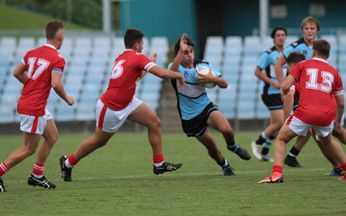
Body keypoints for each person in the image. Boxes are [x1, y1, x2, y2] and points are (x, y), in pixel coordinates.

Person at [59, 28, 185, 182]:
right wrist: (179, 75)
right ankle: (67, 162)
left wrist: (149, 63)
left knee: (154, 122)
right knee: (99, 141)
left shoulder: (122, 57)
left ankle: (158, 164)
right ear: (137, 44)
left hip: (128, 102)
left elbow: (134, 78)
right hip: (111, 107)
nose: (143, 46)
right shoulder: (138, 57)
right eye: (142, 43)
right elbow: (163, 74)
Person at [0, 21, 74, 192]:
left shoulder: (32, 52)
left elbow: (16, 72)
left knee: (52, 136)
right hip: (34, 106)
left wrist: (32, 84)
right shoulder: (58, 58)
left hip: (32, 103)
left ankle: (36, 175)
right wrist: (67, 99)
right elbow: (56, 84)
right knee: (29, 148)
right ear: (60, 38)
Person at [259, 39, 346, 183]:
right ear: (328, 55)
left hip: (305, 113)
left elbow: (286, 87)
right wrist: (338, 121)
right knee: (328, 141)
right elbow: (341, 103)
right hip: (326, 116)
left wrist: (285, 90)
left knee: (281, 138)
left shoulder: (302, 65)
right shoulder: (335, 73)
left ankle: (276, 174)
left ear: (314, 51)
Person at [169, 34, 251, 176]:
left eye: (191, 51)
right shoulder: (175, 67)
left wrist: (211, 78)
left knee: (227, 129)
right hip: (190, 116)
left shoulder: (203, 66)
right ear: (179, 54)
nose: (189, 55)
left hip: (205, 106)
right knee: (212, 146)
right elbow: (172, 72)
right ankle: (224, 165)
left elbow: (224, 84)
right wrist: (180, 52)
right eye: (185, 52)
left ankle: (233, 146)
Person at [284, 52, 346, 176]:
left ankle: (339, 166)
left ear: (292, 65)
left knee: (333, 136)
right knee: (322, 139)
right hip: (326, 108)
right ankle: (337, 167)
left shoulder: (299, 75)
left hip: (327, 109)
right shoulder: (311, 70)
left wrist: (287, 119)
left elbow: (289, 96)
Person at [274, 16, 320, 167]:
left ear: (317, 30)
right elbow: (278, 64)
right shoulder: (295, 46)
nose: (309, 31)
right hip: (296, 90)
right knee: (309, 124)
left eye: (312, 28)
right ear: (302, 30)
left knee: (310, 125)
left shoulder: (319, 47)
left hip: (310, 90)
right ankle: (290, 155)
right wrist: (283, 85)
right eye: (306, 28)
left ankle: (292, 156)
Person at [251, 27, 287, 162]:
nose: (281, 37)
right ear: (274, 38)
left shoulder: (287, 53)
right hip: (270, 93)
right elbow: (257, 72)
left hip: (282, 93)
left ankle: (265, 151)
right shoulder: (268, 54)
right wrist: (274, 83)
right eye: (278, 35)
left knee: (278, 124)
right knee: (281, 121)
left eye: (283, 35)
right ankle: (257, 143)